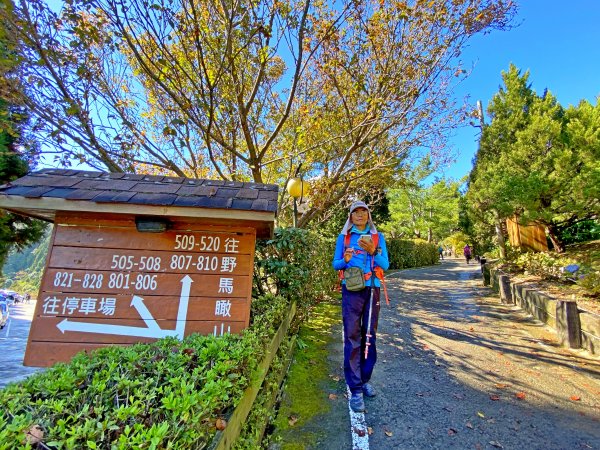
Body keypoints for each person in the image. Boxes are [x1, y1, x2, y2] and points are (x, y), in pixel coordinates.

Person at [332, 201, 390, 413]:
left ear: (368, 216)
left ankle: (365, 379)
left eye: (362, 212)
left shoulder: (377, 237)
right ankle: (355, 388)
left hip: (372, 288)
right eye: (355, 212)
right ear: (350, 216)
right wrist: (345, 259)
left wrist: (374, 251)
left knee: (369, 335)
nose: (359, 215)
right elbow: (335, 264)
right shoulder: (344, 238)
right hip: (352, 289)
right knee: (351, 336)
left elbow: (385, 265)